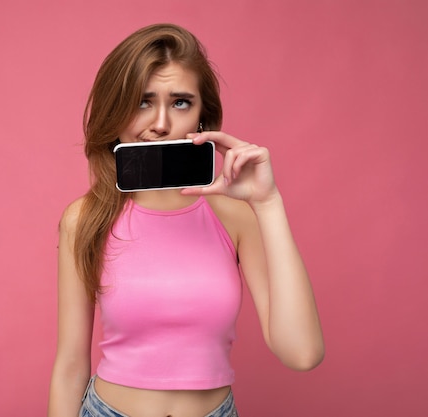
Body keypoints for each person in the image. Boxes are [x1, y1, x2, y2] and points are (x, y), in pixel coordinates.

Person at [48, 23, 324, 417]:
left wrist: (268, 203)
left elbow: (302, 353)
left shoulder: (236, 218)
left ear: (201, 118)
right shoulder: (85, 218)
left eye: (180, 102)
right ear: (116, 109)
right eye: (143, 101)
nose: (160, 122)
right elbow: (70, 365)